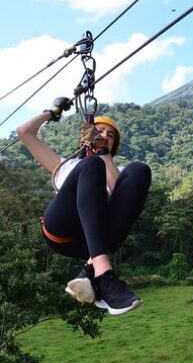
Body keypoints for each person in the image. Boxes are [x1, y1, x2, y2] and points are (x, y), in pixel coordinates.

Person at [16, 98, 151, 316]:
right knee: (90, 166)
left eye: (110, 135)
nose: (105, 136)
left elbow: (123, 200)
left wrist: (102, 153)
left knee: (139, 170)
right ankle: (103, 276)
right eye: (100, 131)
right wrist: (53, 112)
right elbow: (24, 132)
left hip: (94, 241)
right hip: (61, 231)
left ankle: (91, 271)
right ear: (86, 136)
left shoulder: (116, 171)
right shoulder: (64, 165)